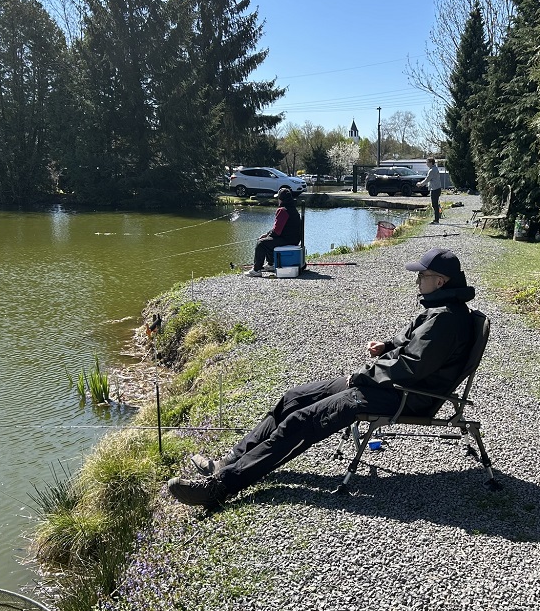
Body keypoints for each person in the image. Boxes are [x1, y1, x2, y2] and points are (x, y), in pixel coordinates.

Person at [168, 247, 477, 509]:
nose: (418, 279)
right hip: (390, 385)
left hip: (406, 396)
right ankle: (230, 461)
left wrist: (364, 375)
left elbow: (411, 367)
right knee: (294, 397)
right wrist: (387, 345)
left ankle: (220, 487)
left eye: (422, 275)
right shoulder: (439, 308)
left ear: (441, 280)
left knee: (302, 421)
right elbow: (409, 343)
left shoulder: (447, 320)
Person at [246, 188, 301, 277]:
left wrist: (266, 236)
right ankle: (270, 264)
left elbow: (276, 231)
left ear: (281, 199)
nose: (277, 200)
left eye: (278, 198)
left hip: (286, 240)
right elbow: (278, 229)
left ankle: (256, 270)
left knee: (261, 243)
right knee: (269, 240)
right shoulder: (294, 210)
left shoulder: (282, 210)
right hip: (294, 239)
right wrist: (268, 234)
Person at [417, 157, 443, 224]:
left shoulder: (432, 170)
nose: (426, 164)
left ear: (431, 163)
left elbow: (427, 179)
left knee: (434, 205)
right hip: (437, 188)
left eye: (427, 162)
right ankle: (436, 219)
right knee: (435, 204)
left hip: (435, 189)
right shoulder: (435, 168)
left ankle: (436, 220)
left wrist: (420, 184)